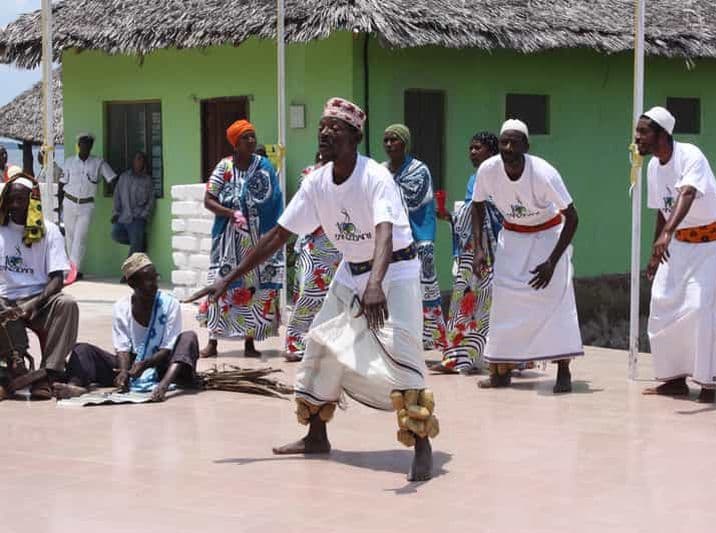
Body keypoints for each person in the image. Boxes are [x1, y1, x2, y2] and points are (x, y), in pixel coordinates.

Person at [187, 97, 439, 482]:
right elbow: (277, 236)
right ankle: (316, 436)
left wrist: (375, 284)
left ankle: (422, 447)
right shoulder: (316, 183)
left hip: (396, 269)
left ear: (354, 137)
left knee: (401, 347)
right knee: (320, 343)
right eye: (322, 126)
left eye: (334, 128)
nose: (324, 132)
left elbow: (386, 232)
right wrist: (229, 277)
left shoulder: (375, 177)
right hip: (351, 272)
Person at [472, 119, 582, 392]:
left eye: (514, 142)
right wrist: (478, 249)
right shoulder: (488, 170)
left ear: (526, 146)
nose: (508, 147)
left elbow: (572, 217)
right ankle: (501, 372)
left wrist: (552, 262)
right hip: (512, 239)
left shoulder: (544, 173)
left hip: (548, 237)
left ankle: (563, 371)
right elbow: (477, 206)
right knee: (505, 303)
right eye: (503, 142)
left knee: (555, 301)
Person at [637, 107, 716, 404]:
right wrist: (656, 250)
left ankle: (708, 382)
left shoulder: (690, 155)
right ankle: (674, 380)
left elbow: (688, 193)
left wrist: (668, 232)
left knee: (701, 308)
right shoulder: (653, 166)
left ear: (662, 135)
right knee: (662, 304)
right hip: (679, 242)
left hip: (713, 241)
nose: (637, 138)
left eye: (643, 132)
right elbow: (662, 211)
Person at [55, 253, 199, 402]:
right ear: (132, 284)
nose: (154, 284)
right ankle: (74, 386)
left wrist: (146, 364)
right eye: (148, 280)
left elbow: (167, 347)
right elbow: (122, 347)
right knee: (82, 350)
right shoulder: (121, 307)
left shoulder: (170, 304)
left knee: (188, 337)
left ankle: (162, 386)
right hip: (134, 368)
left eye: (155, 278)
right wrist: (123, 372)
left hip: (164, 366)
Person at [197, 119, 283, 358]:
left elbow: (274, 198)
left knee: (252, 288)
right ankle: (212, 341)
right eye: (246, 137)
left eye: (253, 136)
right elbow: (208, 200)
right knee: (220, 285)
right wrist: (230, 213)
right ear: (236, 143)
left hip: (258, 240)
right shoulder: (224, 168)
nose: (252, 141)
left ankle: (249, 342)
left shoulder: (264, 166)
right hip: (228, 241)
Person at [0, 174, 78, 400]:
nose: (15, 206)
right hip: (6, 301)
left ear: (31, 201)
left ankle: (48, 373)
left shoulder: (50, 230)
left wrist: (35, 303)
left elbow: (57, 280)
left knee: (68, 304)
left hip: (40, 300)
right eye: (11, 200)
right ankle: (16, 362)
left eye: (20, 200)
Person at [432, 132, 503, 374]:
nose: (472, 152)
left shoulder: (504, 177)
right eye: (470, 148)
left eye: (477, 148)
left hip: (494, 249)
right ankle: (456, 357)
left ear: (491, 151)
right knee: (464, 301)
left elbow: (490, 211)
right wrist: (452, 219)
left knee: (492, 302)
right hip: (473, 249)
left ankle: (498, 358)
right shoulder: (475, 179)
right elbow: (473, 213)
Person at [383, 124, 447, 351]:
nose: (389, 144)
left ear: (405, 143)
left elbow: (410, 200)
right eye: (386, 140)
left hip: (419, 238)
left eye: (394, 140)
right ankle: (399, 336)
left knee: (426, 287)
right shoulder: (382, 170)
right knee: (393, 288)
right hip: (391, 239)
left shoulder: (419, 170)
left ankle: (433, 336)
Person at [284, 153, 342, 362]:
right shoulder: (309, 175)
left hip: (339, 243)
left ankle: (328, 344)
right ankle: (295, 342)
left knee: (335, 296)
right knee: (308, 292)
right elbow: (307, 206)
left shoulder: (346, 175)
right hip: (314, 241)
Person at [59, 132, 117, 279]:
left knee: (80, 238)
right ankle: (74, 269)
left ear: (91, 147)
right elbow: (61, 184)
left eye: (89, 145)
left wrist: (117, 197)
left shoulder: (98, 163)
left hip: (86, 205)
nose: (86, 147)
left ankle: (72, 271)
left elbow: (112, 179)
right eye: (83, 144)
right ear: (78, 146)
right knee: (70, 238)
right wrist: (59, 205)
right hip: (69, 202)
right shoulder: (69, 162)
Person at [111, 151, 155, 262]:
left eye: (141, 160)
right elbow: (117, 196)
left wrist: (144, 215)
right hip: (124, 216)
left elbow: (151, 200)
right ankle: (140, 241)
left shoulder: (147, 180)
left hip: (138, 218)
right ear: (133, 161)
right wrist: (115, 213)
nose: (139, 162)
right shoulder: (124, 177)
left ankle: (128, 273)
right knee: (115, 234)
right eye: (137, 159)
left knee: (135, 246)